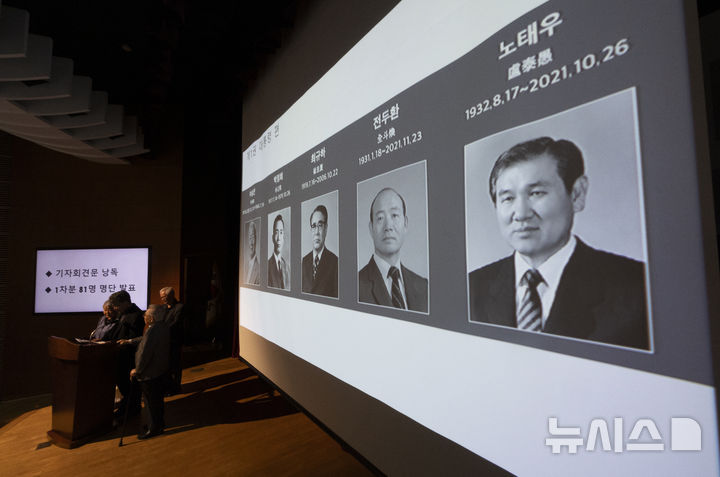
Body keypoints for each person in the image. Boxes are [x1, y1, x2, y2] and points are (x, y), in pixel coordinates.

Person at [467, 136, 649, 349]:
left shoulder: (638, 288)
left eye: (536, 193)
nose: (521, 214)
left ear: (577, 194)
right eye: (508, 198)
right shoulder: (472, 288)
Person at [359, 187, 428, 312]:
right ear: (371, 228)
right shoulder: (356, 286)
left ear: (405, 224)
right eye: (380, 218)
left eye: (394, 215)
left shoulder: (424, 286)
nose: (388, 226)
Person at [130, 305, 170, 440]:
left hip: (149, 373)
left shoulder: (152, 331)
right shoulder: (163, 327)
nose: (144, 317)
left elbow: (145, 354)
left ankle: (153, 428)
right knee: (157, 401)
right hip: (159, 371)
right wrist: (130, 341)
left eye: (145, 315)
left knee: (151, 402)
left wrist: (137, 370)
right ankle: (158, 424)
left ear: (151, 318)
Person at [110, 290, 144, 415]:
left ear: (125, 302)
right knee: (123, 384)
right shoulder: (123, 314)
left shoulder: (136, 315)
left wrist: (126, 342)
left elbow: (135, 338)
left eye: (116, 305)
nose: (115, 308)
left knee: (130, 386)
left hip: (129, 356)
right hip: (121, 354)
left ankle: (131, 410)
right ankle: (127, 408)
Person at [302, 205, 338, 297]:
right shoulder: (304, 262)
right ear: (311, 230)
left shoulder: (335, 263)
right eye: (314, 226)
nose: (317, 232)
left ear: (326, 229)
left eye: (320, 225)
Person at [159, 286, 185, 394]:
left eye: (164, 297)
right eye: (161, 297)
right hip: (163, 341)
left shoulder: (179, 307)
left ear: (171, 295)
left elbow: (176, 323)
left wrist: (162, 330)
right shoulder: (163, 308)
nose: (162, 299)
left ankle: (175, 388)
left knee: (175, 365)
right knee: (165, 365)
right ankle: (167, 386)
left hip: (174, 340)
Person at [268, 214, 290, 289]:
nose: (278, 238)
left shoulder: (287, 268)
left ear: (283, 237)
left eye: (281, 232)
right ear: (272, 237)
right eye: (276, 232)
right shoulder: (267, 266)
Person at [245, 221, 261, 285]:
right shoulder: (245, 266)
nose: (251, 243)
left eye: (253, 237)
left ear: (256, 239)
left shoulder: (259, 270)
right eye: (250, 238)